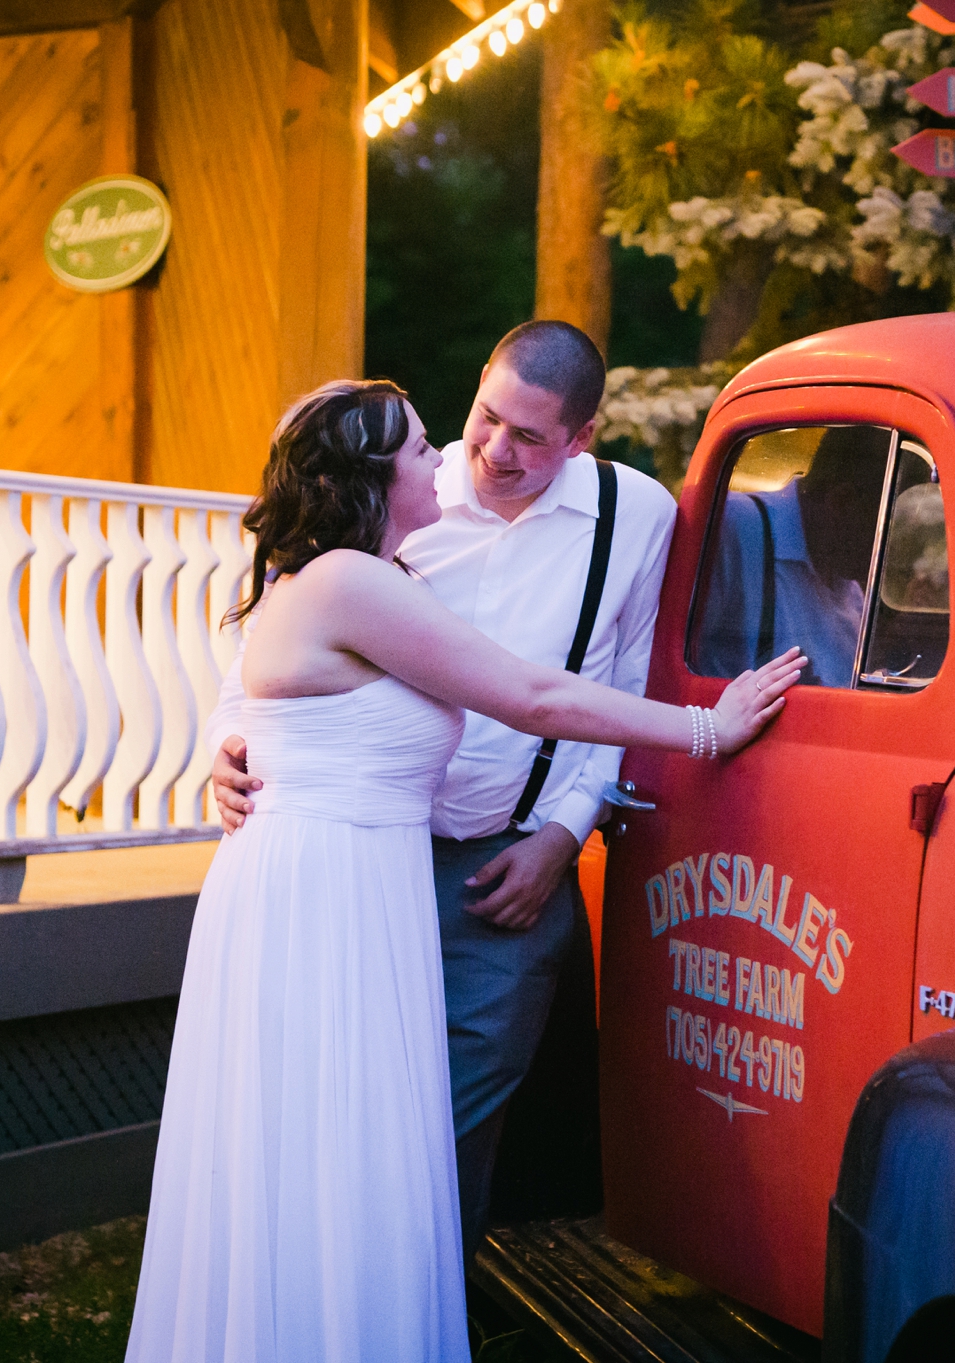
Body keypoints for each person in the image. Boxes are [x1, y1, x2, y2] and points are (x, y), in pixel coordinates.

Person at [124, 378, 802, 1361]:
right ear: (368, 478)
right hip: (323, 894)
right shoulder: (348, 584)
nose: (439, 455)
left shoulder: (364, 575)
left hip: (357, 884)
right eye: (414, 448)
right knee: (323, 1142)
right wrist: (706, 724)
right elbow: (532, 695)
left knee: (352, 1148)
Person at [207, 321, 677, 1260]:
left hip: (504, 876)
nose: (495, 451)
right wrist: (224, 744)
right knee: (332, 1116)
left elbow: (618, 686)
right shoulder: (394, 489)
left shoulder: (637, 517)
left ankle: (423, 1316)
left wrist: (559, 838)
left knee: (447, 1139)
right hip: (357, 865)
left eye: (532, 437)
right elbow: (266, 632)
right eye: (486, 417)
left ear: (583, 438)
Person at [693, 425, 894, 688]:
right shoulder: (735, 527)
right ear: (841, 503)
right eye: (892, 529)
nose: (896, 550)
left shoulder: (849, 586)